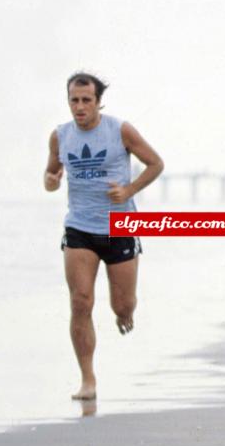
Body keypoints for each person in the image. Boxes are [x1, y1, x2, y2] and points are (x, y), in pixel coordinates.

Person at [44, 72, 164, 401]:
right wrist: (51, 181)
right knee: (80, 302)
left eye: (86, 100)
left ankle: (126, 314)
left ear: (98, 102)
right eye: (74, 100)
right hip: (79, 227)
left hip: (120, 226)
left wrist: (128, 190)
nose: (79, 107)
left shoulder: (119, 130)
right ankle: (88, 380)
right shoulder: (60, 136)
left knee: (121, 304)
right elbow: (50, 175)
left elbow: (155, 164)